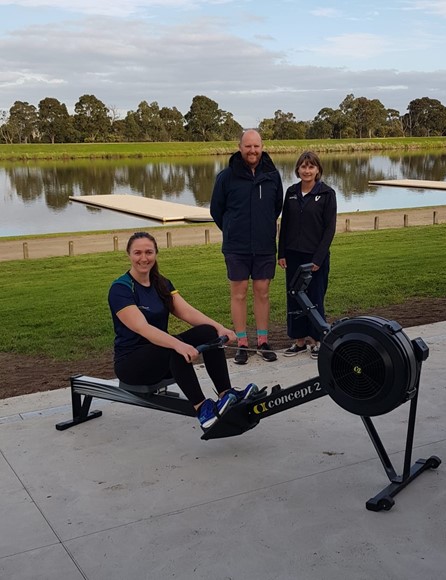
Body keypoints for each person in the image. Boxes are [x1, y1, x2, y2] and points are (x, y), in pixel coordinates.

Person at [108, 231, 259, 431]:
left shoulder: (161, 283)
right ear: (129, 254)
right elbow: (141, 327)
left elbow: (187, 312)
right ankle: (203, 410)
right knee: (173, 347)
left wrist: (219, 328)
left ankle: (226, 394)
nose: (143, 258)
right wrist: (179, 344)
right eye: (137, 253)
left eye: (149, 252)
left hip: (161, 356)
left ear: (156, 254)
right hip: (132, 364)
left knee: (207, 333)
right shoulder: (121, 289)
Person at [210, 129, 283, 365]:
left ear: (262, 147)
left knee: (262, 292)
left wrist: (262, 228)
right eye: (248, 146)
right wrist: (233, 229)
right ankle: (242, 344)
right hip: (236, 247)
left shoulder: (272, 175)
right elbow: (216, 211)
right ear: (240, 147)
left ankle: (263, 342)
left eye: (256, 146)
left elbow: (276, 208)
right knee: (239, 294)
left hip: (264, 247)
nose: (252, 151)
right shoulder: (226, 177)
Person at [278, 151, 337, 359]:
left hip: (315, 258)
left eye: (311, 167)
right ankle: (299, 340)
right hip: (293, 256)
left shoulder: (327, 193)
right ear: (297, 170)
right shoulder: (291, 192)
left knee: (315, 298)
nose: (307, 170)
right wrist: (281, 252)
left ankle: (317, 340)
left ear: (318, 170)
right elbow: (284, 225)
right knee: (294, 299)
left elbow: (329, 229)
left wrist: (318, 259)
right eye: (303, 166)